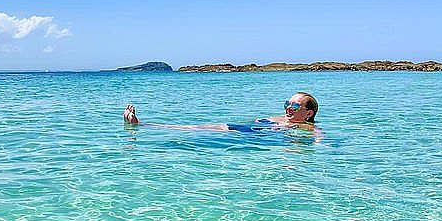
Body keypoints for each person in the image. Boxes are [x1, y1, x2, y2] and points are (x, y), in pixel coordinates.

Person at [123, 92, 320, 133]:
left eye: (294, 106)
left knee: (197, 130)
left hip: (252, 134)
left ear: (308, 113)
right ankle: (143, 125)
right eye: (287, 103)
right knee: (199, 127)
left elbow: (319, 136)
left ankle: (143, 126)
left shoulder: (305, 126)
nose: (288, 108)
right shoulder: (280, 118)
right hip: (247, 128)